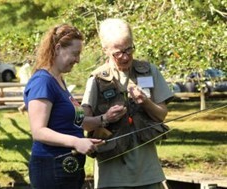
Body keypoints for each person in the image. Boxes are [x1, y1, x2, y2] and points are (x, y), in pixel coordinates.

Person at [81, 18, 174, 189]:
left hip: (148, 173)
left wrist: (145, 102)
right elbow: (84, 123)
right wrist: (105, 118)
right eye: (118, 52)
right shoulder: (96, 79)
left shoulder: (149, 70)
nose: (125, 57)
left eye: (129, 49)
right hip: (111, 177)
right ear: (105, 50)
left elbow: (162, 114)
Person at [23, 24, 101, 189]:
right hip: (51, 167)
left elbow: (74, 121)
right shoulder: (42, 82)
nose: (78, 60)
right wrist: (76, 142)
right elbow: (38, 131)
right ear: (58, 48)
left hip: (68, 167)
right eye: (75, 54)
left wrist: (104, 119)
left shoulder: (59, 79)